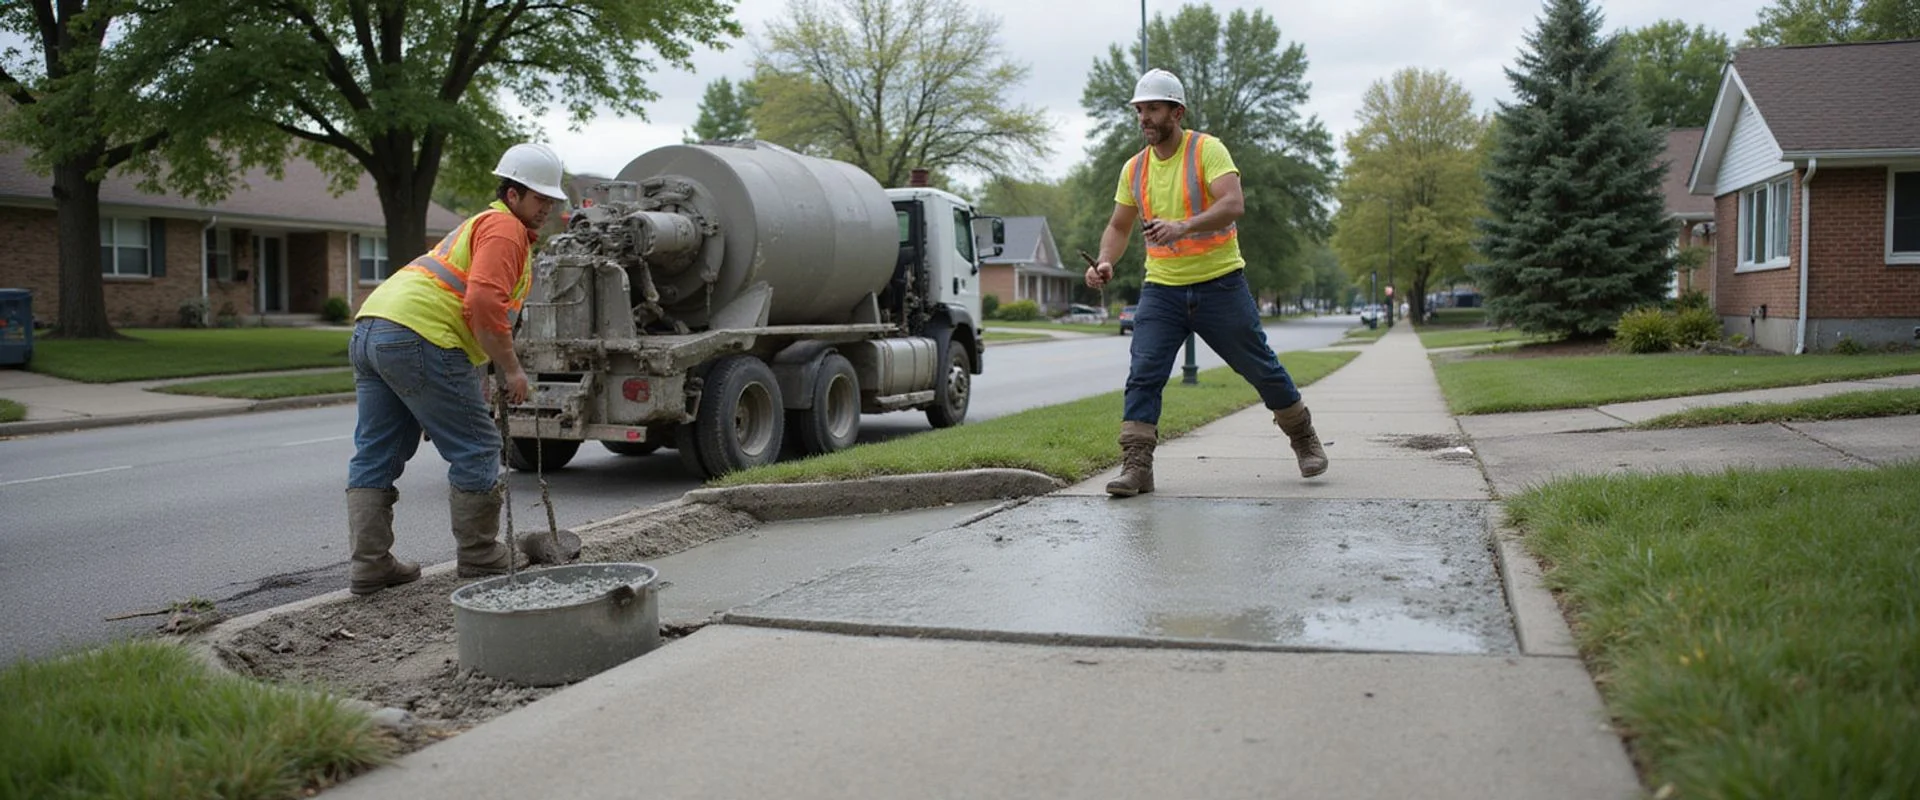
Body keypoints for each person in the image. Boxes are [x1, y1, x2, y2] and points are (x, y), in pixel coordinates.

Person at [1085, 69, 1327, 497]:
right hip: (1161, 290)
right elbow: (1119, 226)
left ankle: (1303, 438)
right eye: (1140, 110)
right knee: (1143, 373)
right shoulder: (1134, 169)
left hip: (1221, 285)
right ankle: (1137, 465)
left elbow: (1234, 203)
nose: (1144, 117)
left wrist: (1184, 227)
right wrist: (1105, 261)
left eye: (1153, 109)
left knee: (1261, 368)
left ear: (1176, 112)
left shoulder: (1207, 150)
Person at [342, 142, 568, 595]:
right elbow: (482, 302)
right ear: (512, 194)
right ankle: (482, 556)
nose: (546, 207)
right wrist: (513, 370)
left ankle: (370, 565)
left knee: (377, 452)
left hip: (374, 328)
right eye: (538, 198)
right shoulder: (505, 230)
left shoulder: (483, 226)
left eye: (551, 200)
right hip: (419, 335)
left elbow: (468, 312)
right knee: (479, 448)